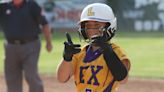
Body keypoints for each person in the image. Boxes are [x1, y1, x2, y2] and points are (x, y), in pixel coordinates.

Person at [57, 3, 131, 92]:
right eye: (88, 26)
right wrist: (67, 58)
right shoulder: (80, 53)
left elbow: (123, 79)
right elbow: (62, 78)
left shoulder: (116, 52)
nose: (92, 30)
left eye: (97, 25)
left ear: (109, 26)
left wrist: (108, 52)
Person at [0, 0, 53, 92]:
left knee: (31, 74)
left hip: (31, 45)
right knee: (12, 78)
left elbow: (44, 24)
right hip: (10, 47)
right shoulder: (3, 6)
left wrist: (48, 42)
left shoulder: (32, 5)